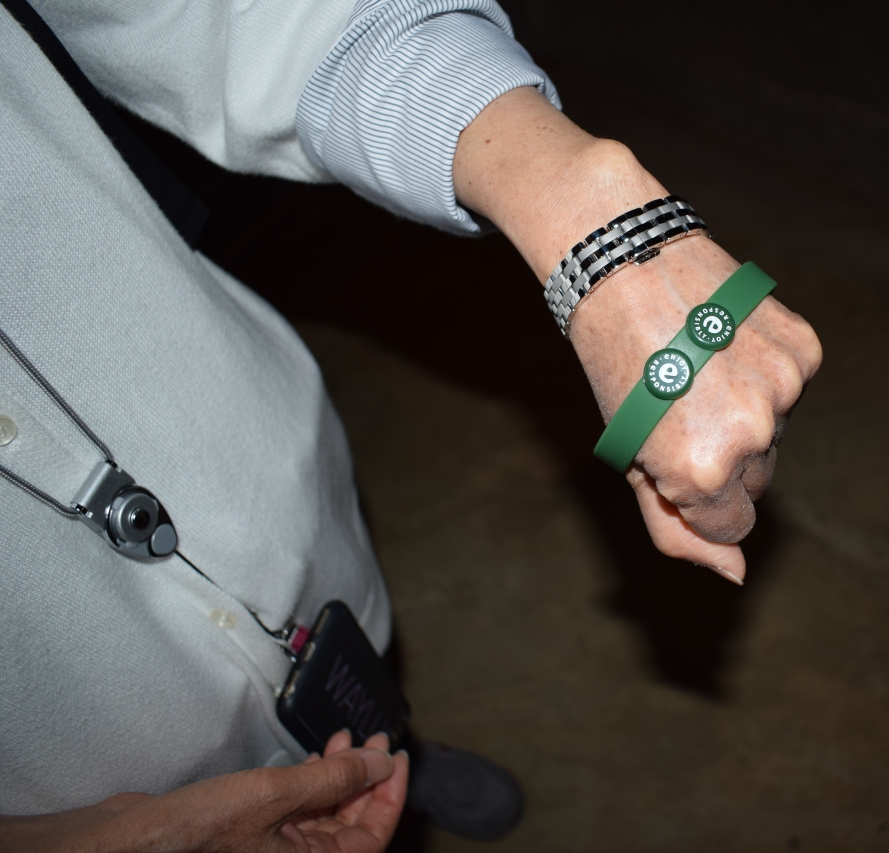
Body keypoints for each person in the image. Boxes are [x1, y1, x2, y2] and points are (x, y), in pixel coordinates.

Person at [0, 0, 822, 847]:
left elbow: (227, 18)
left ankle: (398, 755)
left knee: (362, 695)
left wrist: (598, 212)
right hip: (77, 775)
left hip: (258, 474)